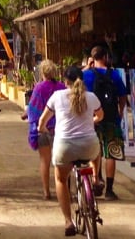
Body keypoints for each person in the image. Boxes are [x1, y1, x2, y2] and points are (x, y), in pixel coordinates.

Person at [39, 65, 102, 236]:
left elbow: (42, 122)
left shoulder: (57, 96)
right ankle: (96, 179)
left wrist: (43, 129)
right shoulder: (91, 97)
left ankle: (68, 221)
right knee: (97, 147)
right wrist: (91, 121)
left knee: (60, 179)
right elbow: (100, 116)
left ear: (65, 81)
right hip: (89, 145)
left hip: (65, 146)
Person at [82, 44, 128, 200]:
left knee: (95, 150)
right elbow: (123, 97)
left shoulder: (87, 75)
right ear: (106, 57)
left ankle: (96, 180)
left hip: (92, 119)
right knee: (111, 153)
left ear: (92, 59)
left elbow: (72, 84)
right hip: (111, 118)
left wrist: (86, 67)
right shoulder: (114, 75)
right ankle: (109, 190)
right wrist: (120, 112)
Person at [27, 59, 66, 200]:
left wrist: (27, 116)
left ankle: (46, 192)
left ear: (42, 72)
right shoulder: (62, 87)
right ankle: (62, 188)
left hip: (43, 129)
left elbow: (33, 108)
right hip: (60, 129)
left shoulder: (39, 88)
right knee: (61, 161)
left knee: (45, 161)